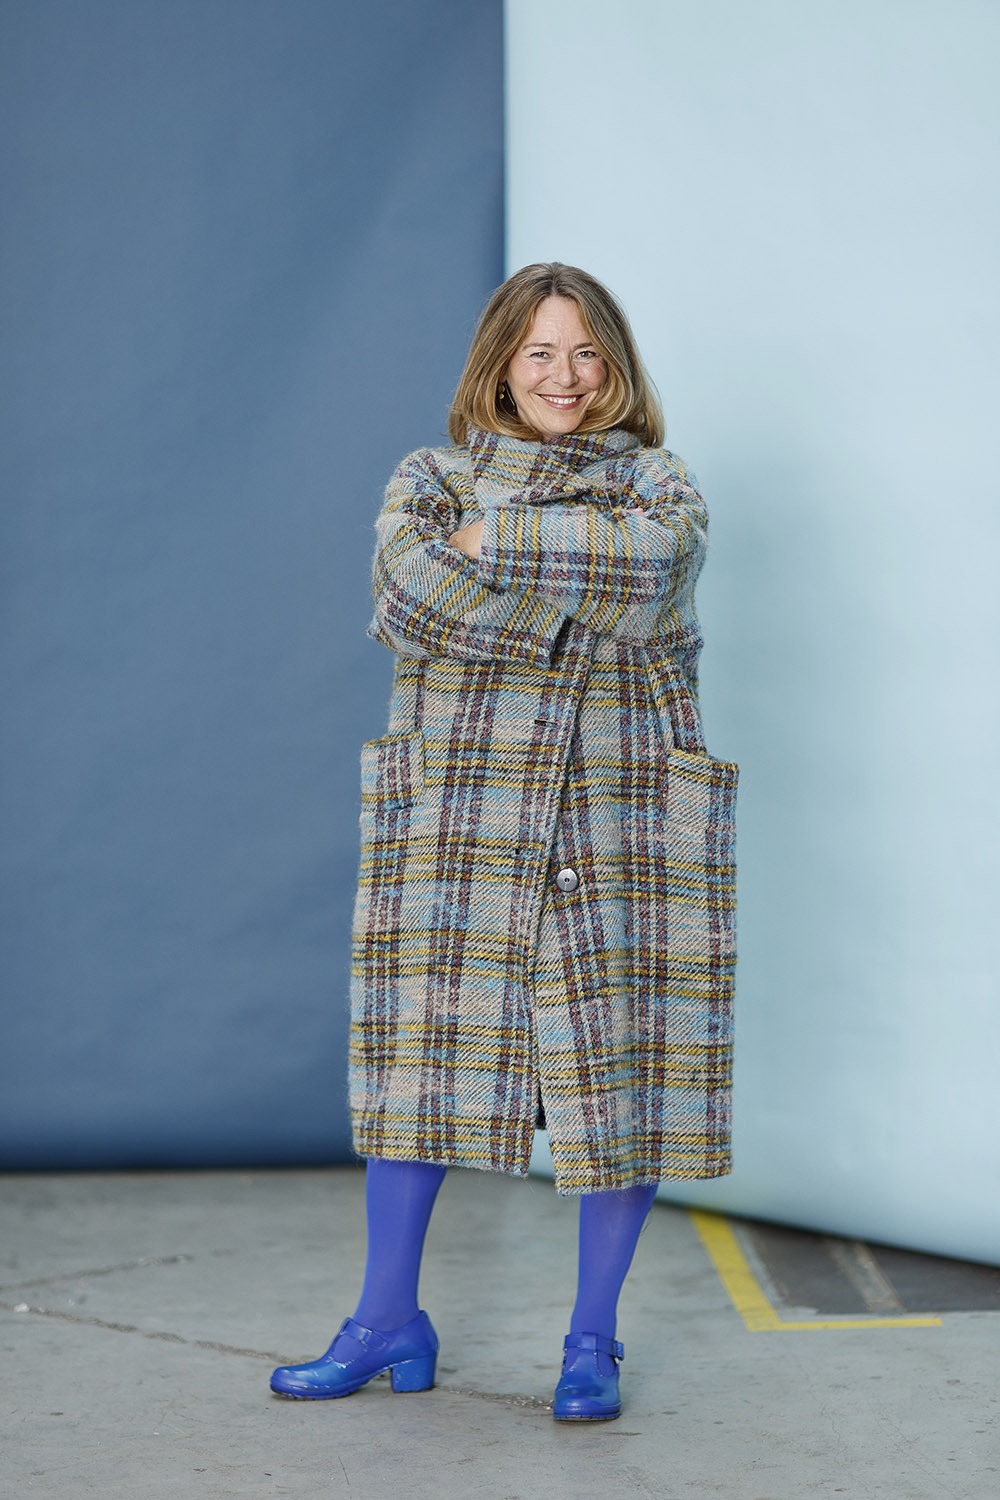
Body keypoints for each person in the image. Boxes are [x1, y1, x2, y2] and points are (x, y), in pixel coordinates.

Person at [270, 263, 738, 1421]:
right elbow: (407, 597)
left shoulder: (657, 482)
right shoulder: (431, 478)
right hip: (462, 808)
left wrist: (498, 544)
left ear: (614, 365)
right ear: (500, 363)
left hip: (619, 808)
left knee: (621, 1071)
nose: (563, 377)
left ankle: (591, 1343)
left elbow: (656, 570)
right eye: (538, 352)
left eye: (585, 353)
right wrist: (575, 578)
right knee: (421, 1061)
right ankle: (385, 1321)